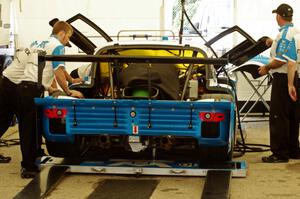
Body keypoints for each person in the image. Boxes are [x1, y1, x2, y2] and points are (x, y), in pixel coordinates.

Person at [0, 20, 83, 178]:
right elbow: (58, 72)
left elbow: (41, 69)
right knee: (28, 128)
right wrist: (69, 91)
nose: (68, 42)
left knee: (34, 125)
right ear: (62, 33)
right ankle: (28, 166)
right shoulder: (57, 46)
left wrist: (57, 85)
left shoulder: (37, 42)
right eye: (68, 38)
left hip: (23, 87)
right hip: (29, 89)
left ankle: (36, 154)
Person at [258, 3, 300, 163]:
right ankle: (293, 149)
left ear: (279, 16)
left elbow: (281, 60)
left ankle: (280, 153)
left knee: (278, 116)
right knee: (292, 115)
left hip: (283, 79)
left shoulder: (284, 35)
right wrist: (271, 42)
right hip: (295, 77)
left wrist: (266, 67)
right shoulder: (295, 31)